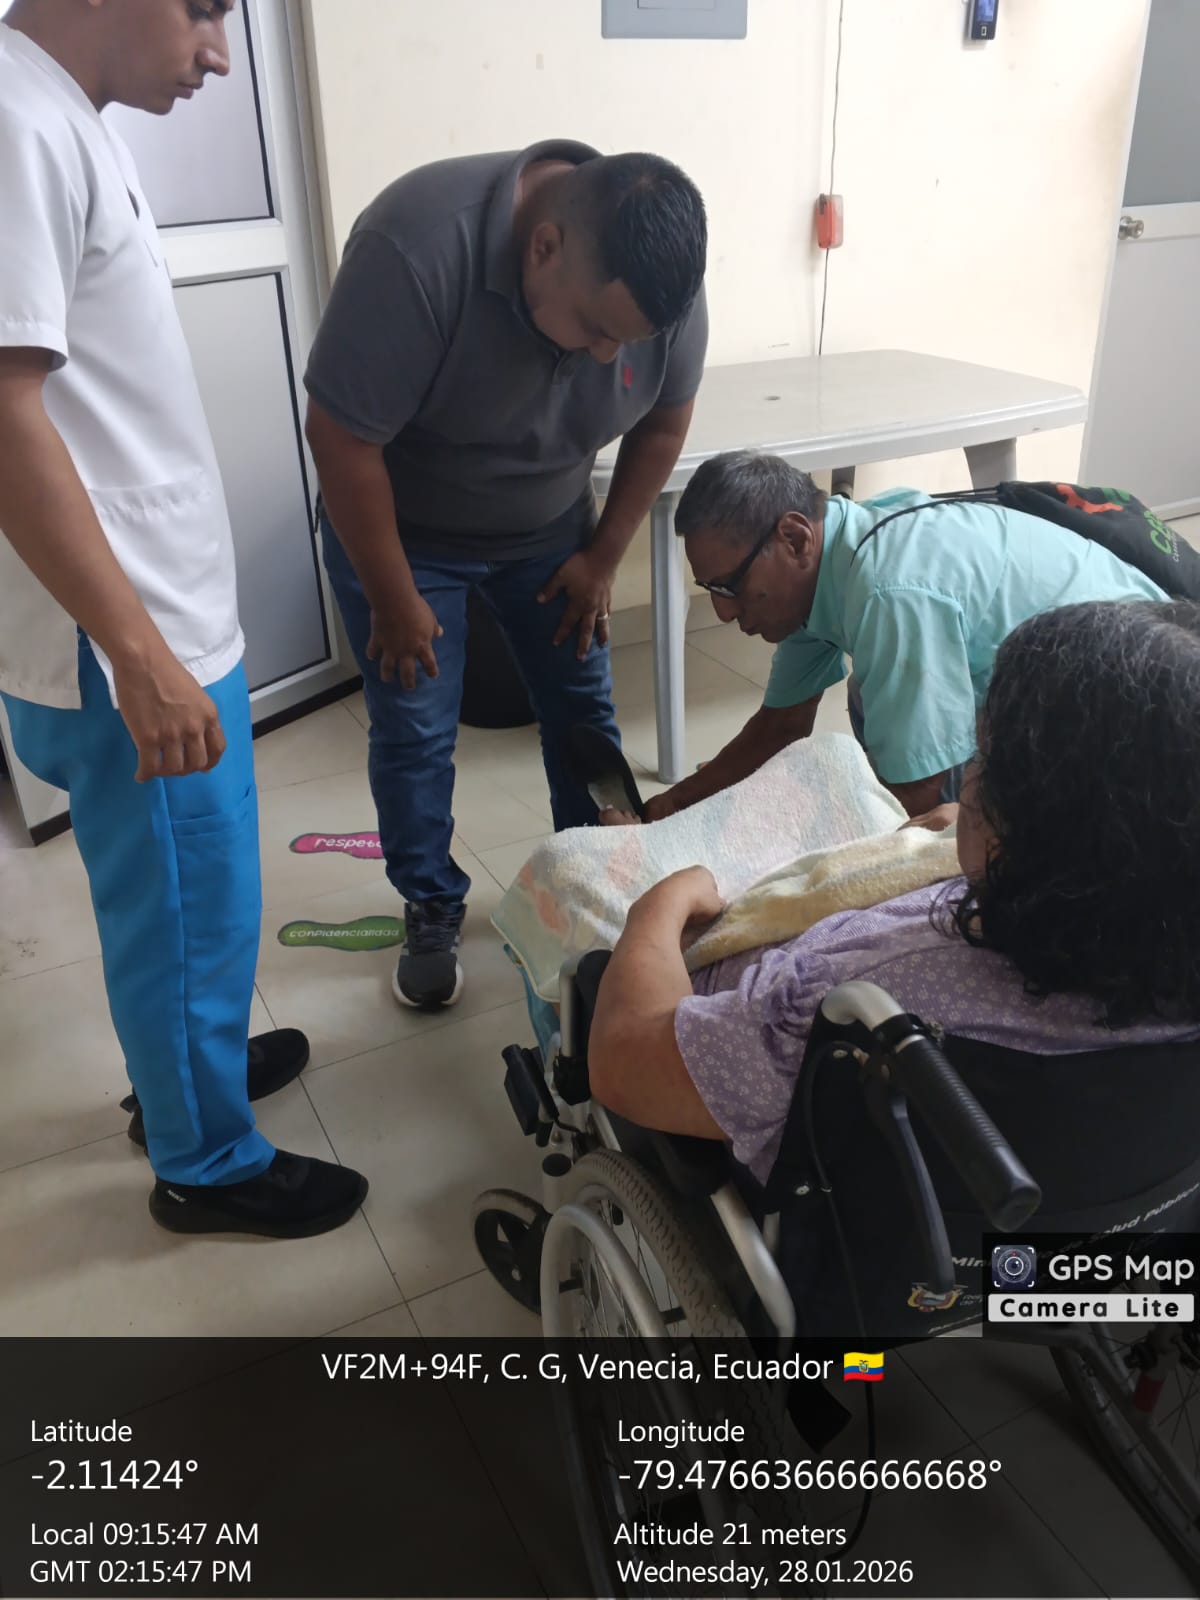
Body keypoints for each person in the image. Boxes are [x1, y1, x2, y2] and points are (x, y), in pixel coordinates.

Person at [0, 0, 367, 1237]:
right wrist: (137, 654)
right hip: (126, 641)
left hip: (159, 614)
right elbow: (5, 418)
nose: (218, 52)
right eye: (205, 10)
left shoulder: (67, 116)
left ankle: (186, 1072)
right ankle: (202, 1158)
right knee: (174, 900)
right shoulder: (14, 121)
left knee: (199, 895)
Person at [588, 600, 1200, 1184]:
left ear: (1036, 830)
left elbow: (624, 1061)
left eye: (985, 759)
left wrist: (659, 907)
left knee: (589, 939)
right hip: (1036, 1242)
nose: (970, 777)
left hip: (735, 1058)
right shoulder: (1153, 956)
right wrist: (963, 831)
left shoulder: (855, 1017)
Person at [304, 143, 708, 1010]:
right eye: (595, 329)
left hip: (550, 529)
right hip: (406, 532)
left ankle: (596, 877)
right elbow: (340, 438)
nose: (606, 356)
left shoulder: (661, 284)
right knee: (416, 725)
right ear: (543, 247)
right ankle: (430, 902)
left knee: (583, 709)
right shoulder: (417, 248)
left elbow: (664, 425)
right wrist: (393, 597)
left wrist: (602, 556)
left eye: (626, 341)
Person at [620, 451, 1167, 825]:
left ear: (794, 538)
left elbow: (917, 800)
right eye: (710, 590)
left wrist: (766, 854)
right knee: (877, 705)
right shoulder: (838, 549)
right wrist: (669, 810)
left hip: (1137, 721)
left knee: (895, 758)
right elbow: (781, 726)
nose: (721, 611)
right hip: (1097, 673)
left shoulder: (887, 591)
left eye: (731, 586)